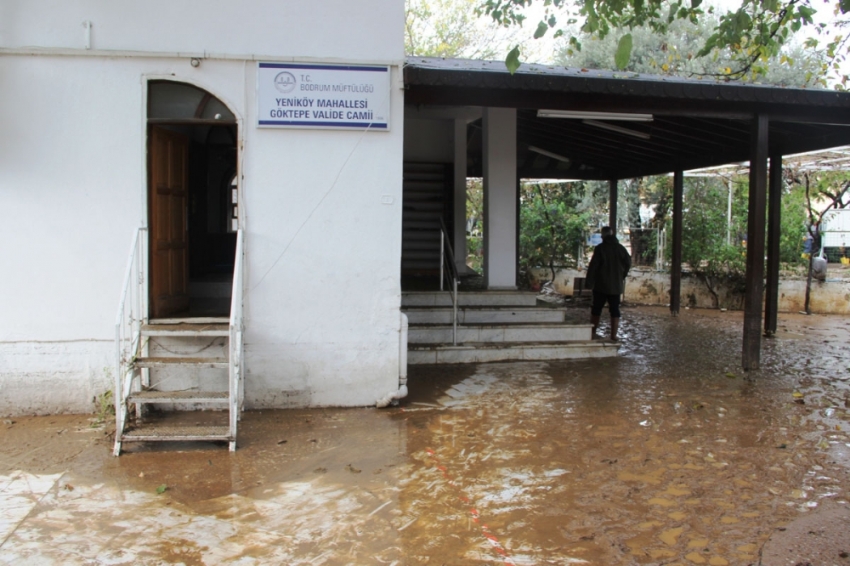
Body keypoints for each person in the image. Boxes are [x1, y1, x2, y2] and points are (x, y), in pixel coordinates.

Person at [585, 226, 631, 341]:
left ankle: (592, 333)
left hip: (601, 286)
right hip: (616, 286)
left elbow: (593, 267)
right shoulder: (621, 249)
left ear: (603, 236)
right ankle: (613, 335)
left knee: (596, 309)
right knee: (615, 310)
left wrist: (589, 283)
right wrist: (621, 276)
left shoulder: (600, 248)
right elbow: (628, 263)